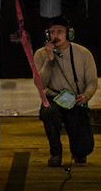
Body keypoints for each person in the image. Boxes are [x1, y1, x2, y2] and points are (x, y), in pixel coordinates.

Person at [33, 21, 97, 167]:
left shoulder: (83, 53)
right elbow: (39, 83)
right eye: (52, 32)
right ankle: (56, 153)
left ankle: (78, 152)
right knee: (48, 112)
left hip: (75, 99)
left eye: (60, 32)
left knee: (84, 149)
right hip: (53, 97)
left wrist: (87, 95)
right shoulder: (41, 54)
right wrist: (49, 60)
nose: (55, 36)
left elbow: (92, 81)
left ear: (69, 33)